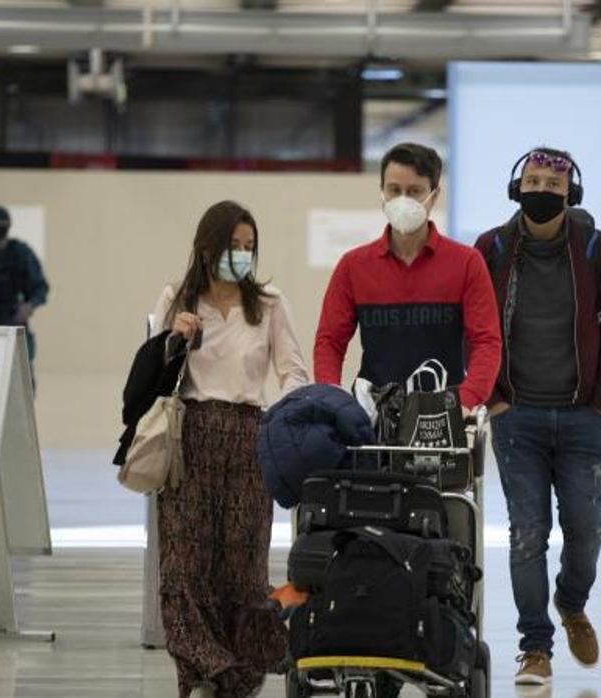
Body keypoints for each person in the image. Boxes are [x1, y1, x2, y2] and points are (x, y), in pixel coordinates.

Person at [474, 147, 601, 686]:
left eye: (553, 184)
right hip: (516, 416)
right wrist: (491, 395)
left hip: (582, 416)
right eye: (533, 180)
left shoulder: (594, 247)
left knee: (587, 527)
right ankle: (535, 647)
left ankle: (570, 601)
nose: (542, 191)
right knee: (527, 533)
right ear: (517, 188)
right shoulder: (491, 248)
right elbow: (470, 325)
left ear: (572, 195)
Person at [153, 200, 310, 698]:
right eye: (232, 246)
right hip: (189, 437)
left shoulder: (267, 304)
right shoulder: (176, 300)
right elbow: (149, 379)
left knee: (241, 571)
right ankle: (206, 671)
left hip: (249, 437)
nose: (241, 255)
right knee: (183, 566)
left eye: (249, 247)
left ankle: (234, 679)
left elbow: (293, 369)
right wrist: (173, 341)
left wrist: (285, 417)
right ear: (206, 248)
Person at [314, 142, 501, 418]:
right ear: (382, 191)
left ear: (434, 195)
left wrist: (467, 400)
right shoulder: (352, 266)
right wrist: (332, 399)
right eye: (394, 190)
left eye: (414, 191)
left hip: (445, 414)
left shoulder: (467, 263)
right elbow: (329, 341)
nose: (403, 199)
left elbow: (487, 342)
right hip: (373, 417)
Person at [0, 205, 48, 370]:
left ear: (9, 224)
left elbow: (40, 288)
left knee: (22, 378)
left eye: (2, 222)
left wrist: (29, 306)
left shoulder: (21, 253)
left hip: (17, 325)